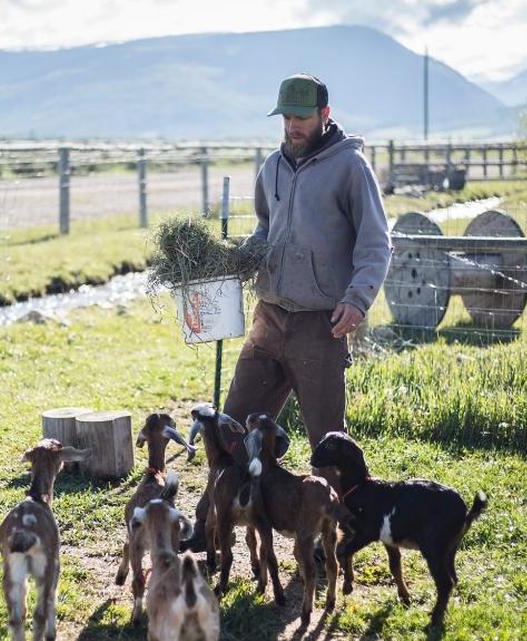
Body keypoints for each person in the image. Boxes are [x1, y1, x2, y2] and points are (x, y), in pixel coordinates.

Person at [184, 72, 392, 552]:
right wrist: (236, 259)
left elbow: (375, 242)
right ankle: (208, 524)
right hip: (268, 319)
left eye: (301, 117)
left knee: (327, 445)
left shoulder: (350, 169)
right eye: (286, 118)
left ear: (325, 114)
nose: (292, 126)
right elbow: (264, 231)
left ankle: (327, 539)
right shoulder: (273, 167)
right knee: (229, 429)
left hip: (320, 325)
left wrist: (357, 299)